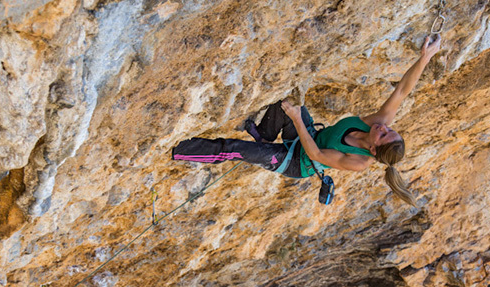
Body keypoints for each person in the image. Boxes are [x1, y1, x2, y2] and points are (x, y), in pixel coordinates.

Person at [172, 35, 442, 207]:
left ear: (373, 150)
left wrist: (296, 118)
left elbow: (314, 152)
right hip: (307, 135)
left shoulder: (358, 162)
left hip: (296, 162)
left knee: (234, 148)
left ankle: (180, 151)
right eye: (390, 130)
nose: (384, 127)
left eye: (384, 135)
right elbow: (402, 90)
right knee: (285, 102)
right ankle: (265, 135)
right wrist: (426, 57)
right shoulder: (377, 123)